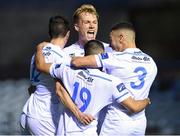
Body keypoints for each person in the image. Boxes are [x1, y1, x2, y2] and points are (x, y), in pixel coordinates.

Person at [35, 39, 151, 136]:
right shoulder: (111, 82)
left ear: (85, 55)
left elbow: (40, 66)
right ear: (101, 56)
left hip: (64, 129)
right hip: (87, 130)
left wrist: (39, 48)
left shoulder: (67, 70)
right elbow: (134, 107)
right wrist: (146, 101)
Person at [71, 22, 158, 135]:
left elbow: (77, 62)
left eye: (111, 39)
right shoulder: (151, 62)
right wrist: (146, 101)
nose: (110, 45)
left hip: (116, 122)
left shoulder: (114, 58)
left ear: (121, 38)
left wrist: (73, 57)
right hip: (139, 124)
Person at [20, 15, 91, 135]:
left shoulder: (37, 54)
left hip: (28, 112)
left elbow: (33, 86)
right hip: (44, 117)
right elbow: (59, 90)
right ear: (67, 34)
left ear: (50, 33)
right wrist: (78, 114)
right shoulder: (61, 57)